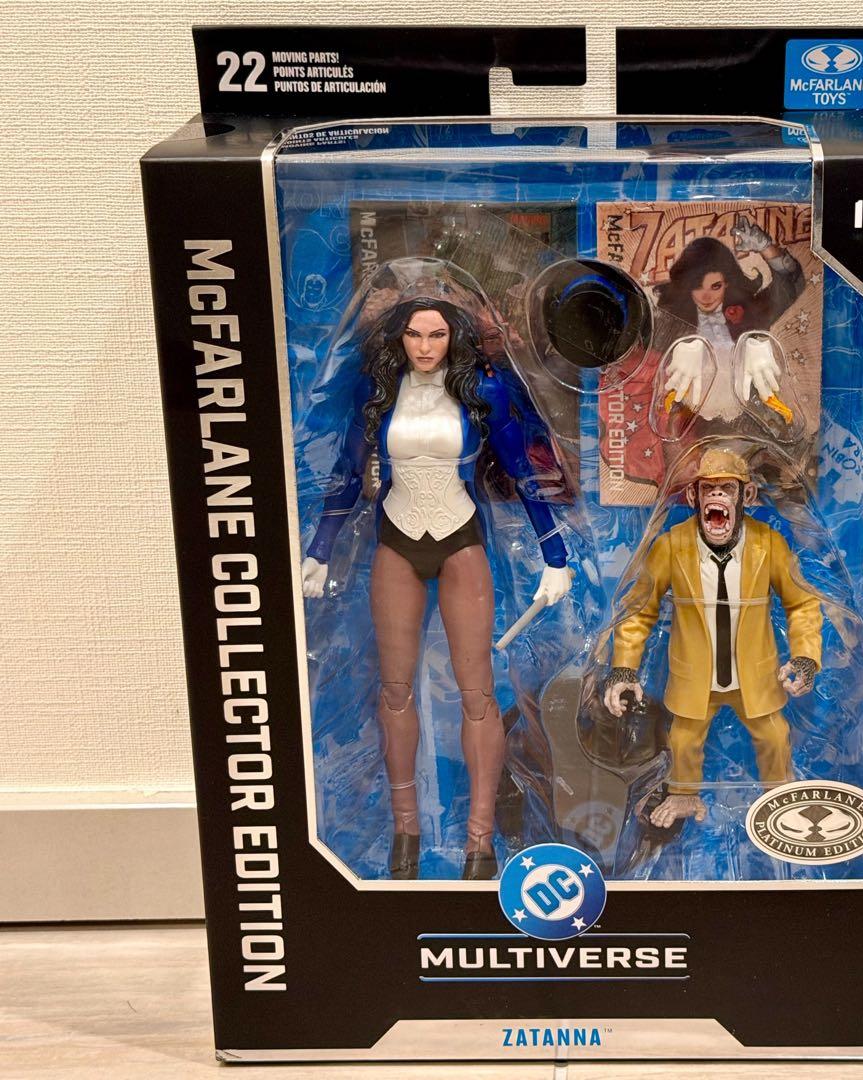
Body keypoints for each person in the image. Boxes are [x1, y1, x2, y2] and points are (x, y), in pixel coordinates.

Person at [300, 296, 572, 880]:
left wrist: (555, 555)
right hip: (396, 540)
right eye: (415, 335)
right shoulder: (378, 391)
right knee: (395, 691)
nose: (425, 347)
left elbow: (524, 471)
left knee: (478, 695)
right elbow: (347, 470)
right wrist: (320, 548)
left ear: (455, 338)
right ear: (399, 338)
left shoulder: (482, 391)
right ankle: (405, 834)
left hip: (460, 540)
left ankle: (479, 844)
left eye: (437, 335)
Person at [602, 448, 822, 830]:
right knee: (682, 740)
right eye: (708, 488)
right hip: (695, 679)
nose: (717, 495)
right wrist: (623, 669)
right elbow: (638, 610)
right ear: (694, 496)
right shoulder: (671, 546)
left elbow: (802, 603)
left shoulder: (769, 545)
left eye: (727, 488)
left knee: (775, 736)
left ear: (746, 496)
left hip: (754, 677)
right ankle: (684, 795)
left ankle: (779, 800)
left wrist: (805, 658)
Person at [658, 217, 806, 423]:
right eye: (697, 287)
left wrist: (766, 248)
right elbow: (641, 350)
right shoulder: (671, 320)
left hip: (748, 414)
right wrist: (677, 347)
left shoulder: (748, 312)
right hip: (689, 418)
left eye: (715, 286)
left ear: (727, 283)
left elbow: (790, 286)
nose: (706, 296)